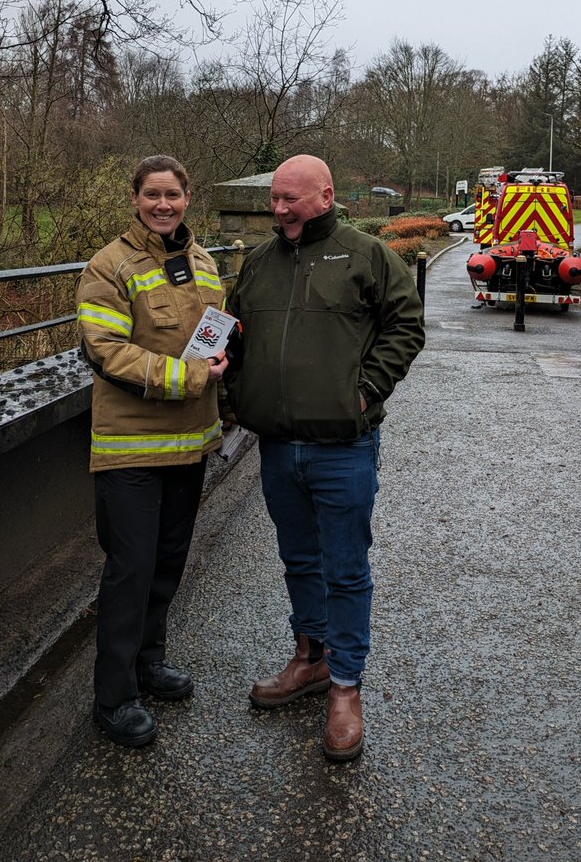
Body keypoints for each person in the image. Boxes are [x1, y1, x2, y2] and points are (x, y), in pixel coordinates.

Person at [225, 154, 425, 762]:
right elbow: (230, 333)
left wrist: (363, 393)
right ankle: (309, 658)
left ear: (326, 195)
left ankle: (346, 687)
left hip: (344, 445)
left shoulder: (366, 254)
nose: (279, 209)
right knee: (299, 559)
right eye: (274, 199)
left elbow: (407, 326)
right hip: (278, 444)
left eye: (291, 198)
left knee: (345, 567)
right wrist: (231, 393)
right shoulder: (258, 262)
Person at [76, 155, 229, 747]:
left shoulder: (205, 261)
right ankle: (113, 698)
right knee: (129, 572)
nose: (162, 205)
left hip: (189, 446)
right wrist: (191, 377)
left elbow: (212, 338)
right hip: (131, 449)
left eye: (173, 195)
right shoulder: (108, 266)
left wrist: (223, 368)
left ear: (189, 198)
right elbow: (107, 352)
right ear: (135, 198)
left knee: (166, 565)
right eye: (152, 195)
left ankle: (149, 662)